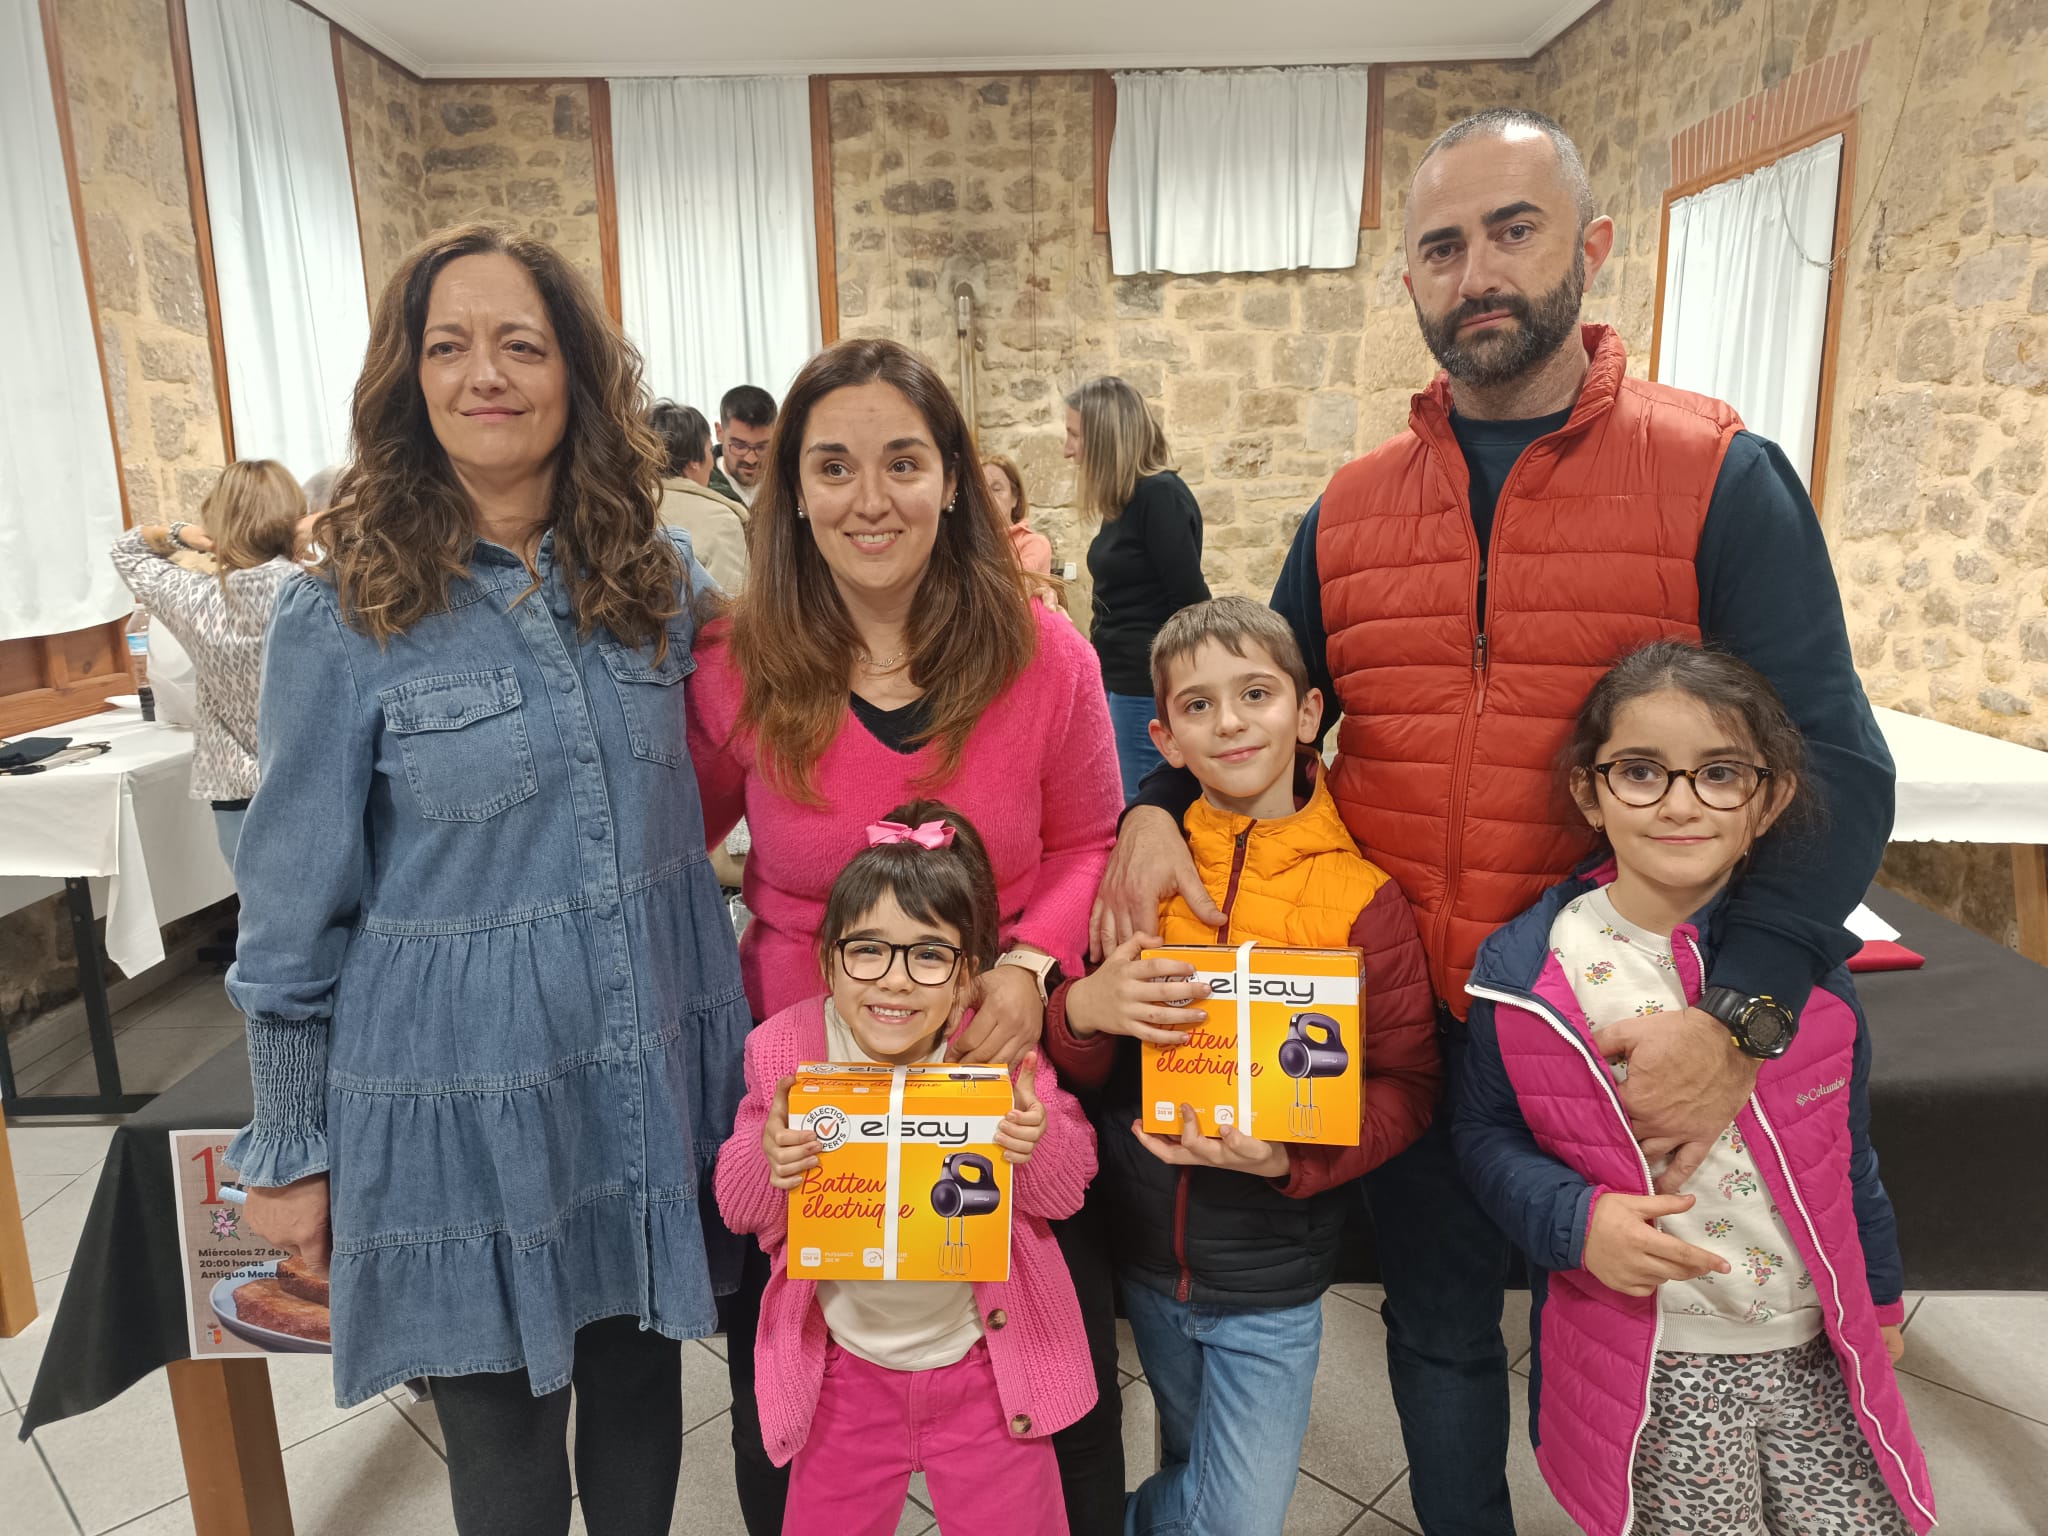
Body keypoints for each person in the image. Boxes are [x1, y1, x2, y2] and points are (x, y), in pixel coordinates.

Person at [1094, 108, 1896, 1535]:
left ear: (1589, 248)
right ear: (1407, 279)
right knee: (1442, 1330)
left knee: (1670, 1341)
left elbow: (1836, 765)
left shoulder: (1719, 475)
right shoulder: (1349, 508)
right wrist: (1155, 803)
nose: (1479, 273)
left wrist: (1747, 1012)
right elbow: (1261, 699)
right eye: (1442, 245)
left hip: (1630, 1023)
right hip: (1428, 1021)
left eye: (1512, 230)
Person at [226, 223, 750, 1536]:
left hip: (644, 1058)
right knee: (505, 1447)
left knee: (640, 1390)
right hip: (457, 1095)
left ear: (576, 372)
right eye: (449, 345)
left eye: (522, 342)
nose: (486, 374)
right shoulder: (340, 607)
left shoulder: (657, 579)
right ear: (408, 378)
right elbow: (289, 907)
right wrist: (290, 1146)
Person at [687, 337, 1126, 1535]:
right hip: (808, 1080)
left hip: (988, 1066)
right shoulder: (738, 664)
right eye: (830, 467)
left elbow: (1090, 837)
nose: (867, 499)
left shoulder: (1045, 658)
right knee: (794, 1398)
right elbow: (675, 837)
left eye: (901, 463)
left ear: (952, 480)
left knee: (1046, 1386)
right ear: (790, 491)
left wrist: (1032, 966)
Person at [1453, 642, 1935, 1536]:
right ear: (1590, 792)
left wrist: (1876, 1298)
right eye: (1641, 772)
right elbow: (1485, 1136)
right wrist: (1576, 1221)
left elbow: (1849, 1157)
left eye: (1719, 773)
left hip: (1819, 1349)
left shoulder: (1808, 981)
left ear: (1769, 800)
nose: (1679, 802)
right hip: (1661, 1359)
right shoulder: (1530, 973)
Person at [1042, 598, 1439, 1536]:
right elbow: (1086, 1069)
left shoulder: (1362, 901)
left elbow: (1408, 1089)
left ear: (1306, 714)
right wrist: (1082, 1013)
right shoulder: (1134, 881)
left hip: (1274, 1274)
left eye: (1254, 695)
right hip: (1145, 1254)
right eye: (1198, 706)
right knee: (1187, 1456)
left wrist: (1289, 1164)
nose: (1229, 723)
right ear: (1164, 737)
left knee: (1237, 1518)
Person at [716, 801, 1097, 1536]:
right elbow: (738, 1205)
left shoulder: (991, 1054)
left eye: (929, 955)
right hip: (842, 1373)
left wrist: (1033, 1142)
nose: (894, 981)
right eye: (868, 950)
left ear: (966, 978)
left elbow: (1070, 1184)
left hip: (985, 1365)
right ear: (830, 958)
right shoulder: (786, 1051)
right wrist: (772, 1159)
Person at [107, 459, 305, 864]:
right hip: (314, 779)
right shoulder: (316, 587)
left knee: (258, 913)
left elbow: (126, 549)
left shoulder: (190, 597)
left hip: (234, 787)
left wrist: (180, 534)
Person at [1065, 376, 1209, 803]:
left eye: (1074, 435)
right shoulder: (1126, 502)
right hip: (1121, 681)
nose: (1067, 449)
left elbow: (1190, 604)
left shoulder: (1160, 496)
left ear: (1105, 438)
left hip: (1145, 688)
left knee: (1147, 808)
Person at [650, 399, 750, 594]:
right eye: (709, 448)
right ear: (694, 461)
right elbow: (731, 609)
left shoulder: (623, 508)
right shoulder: (721, 520)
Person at [985, 452, 1068, 617]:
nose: (987, 497)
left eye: (996, 489)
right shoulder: (969, 543)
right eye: (980, 490)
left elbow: (1015, 589)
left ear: (1015, 498)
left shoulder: (1034, 543)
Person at [709, 384, 776, 508]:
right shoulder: (703, 488)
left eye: (762, 447)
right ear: (720, 433)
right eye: (739, 446)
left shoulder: (790, 484)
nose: (751, 459)